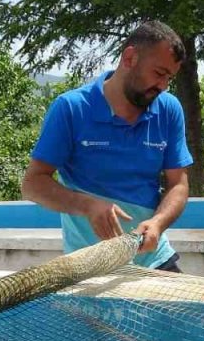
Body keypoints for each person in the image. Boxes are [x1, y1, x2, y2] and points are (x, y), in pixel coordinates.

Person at [21, 20, 193, 271]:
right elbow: (33, 184)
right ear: (130, 57)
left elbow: (178, 184)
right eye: (158, 73)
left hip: (154, 260)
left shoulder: (168, 109)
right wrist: (87, 205)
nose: (163, 86)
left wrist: (157, 223)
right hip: (89, 266)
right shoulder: (71, 108)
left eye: (169, 77)